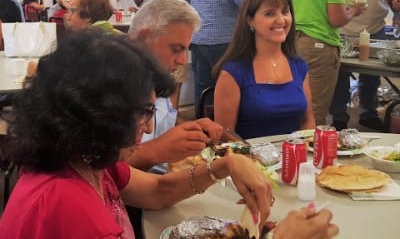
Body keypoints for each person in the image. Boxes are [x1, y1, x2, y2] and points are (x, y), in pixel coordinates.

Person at [0, 30, 279, 238]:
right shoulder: (74, 209)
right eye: (144, 112)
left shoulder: (85, 161)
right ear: (98, 113)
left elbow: (158, 191)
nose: (148, 127)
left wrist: (225, 164)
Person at [126, 0, 224, 171]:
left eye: (186, 49)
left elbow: (162, 123)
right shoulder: (106, 85)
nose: (182, 60)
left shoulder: (157, 78)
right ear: (143, 37)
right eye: (176, 49)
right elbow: (100, 168)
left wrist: (190, 129)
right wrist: (157, 150)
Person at [281, 0, 365, 126]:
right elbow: (336, 19)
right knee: (315, 109)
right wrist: (353, 11)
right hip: (318, 48)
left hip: (291, 45)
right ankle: (308, 154)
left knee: (292, 102)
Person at [213, 0, 315, 139]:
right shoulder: (233, 72)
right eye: (270, 14)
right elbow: (224, 135)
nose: (281, 20)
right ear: (250, 21)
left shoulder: (299, 65)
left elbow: (307, 121)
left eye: (285, 11)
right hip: (249, 159)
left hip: (294, 157)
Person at [327, 0, 400, 131]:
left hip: (375, 27)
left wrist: (395, 6)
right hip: (344, 30)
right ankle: (339, 117)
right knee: (340, 76)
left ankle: (368, 113)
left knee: (372, 77)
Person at [156, 0, 189, 108]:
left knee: (178, 80)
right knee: (173, 80)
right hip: (173, 35)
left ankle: (173, 115)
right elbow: (167, 10)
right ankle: (170, 117)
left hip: (182, 33)